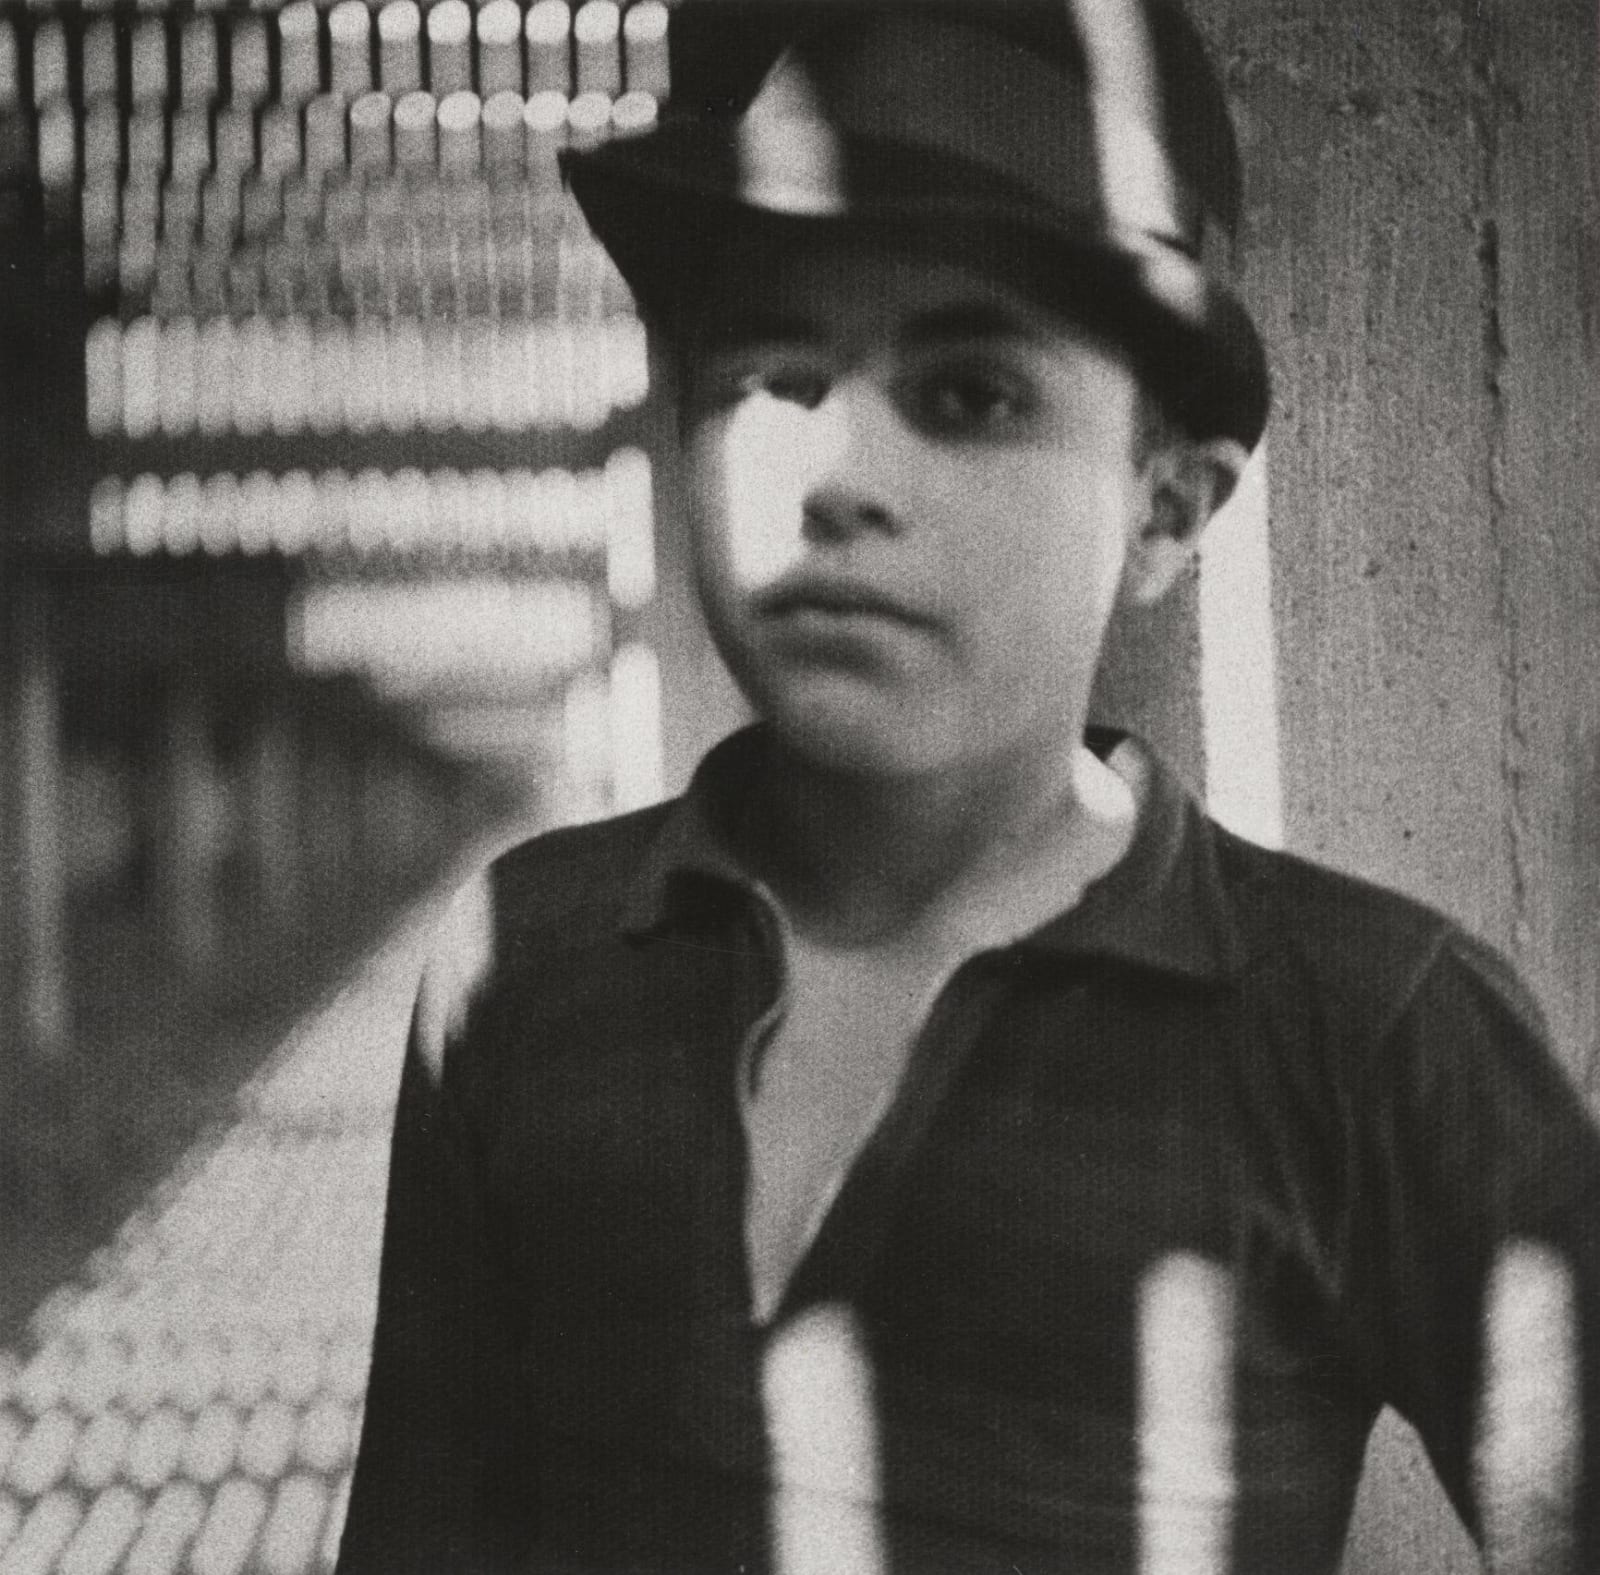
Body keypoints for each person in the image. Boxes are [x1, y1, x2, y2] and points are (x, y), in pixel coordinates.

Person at [336, 3, 1600, 1571]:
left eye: (971, 396)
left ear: (1165, 512)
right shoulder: (525, 959)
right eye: (769, 375)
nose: (835, 473)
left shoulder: (1372, 1027)